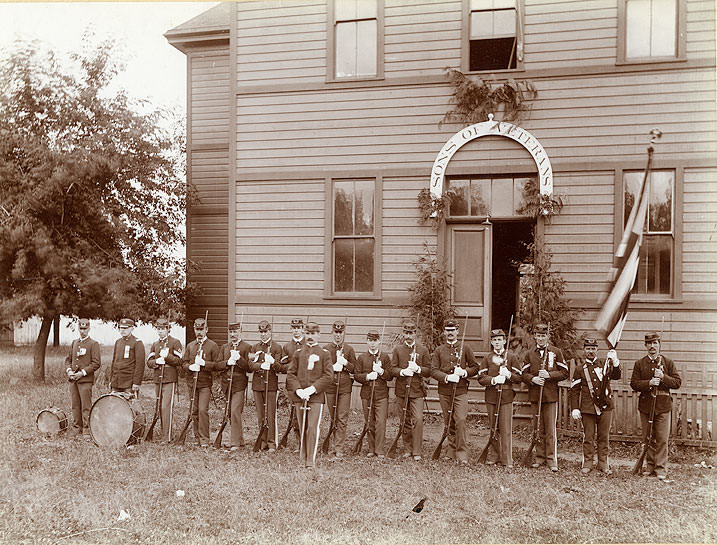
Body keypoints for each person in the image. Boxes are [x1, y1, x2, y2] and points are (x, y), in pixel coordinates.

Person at [630, 332, 681, 480]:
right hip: (646, 406)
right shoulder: (640, 364)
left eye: (655, 343)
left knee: (662, 438)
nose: (652, 346)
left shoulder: (668, 362)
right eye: (649, 344)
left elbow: (677, 383)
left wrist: (663, 377)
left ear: (659, 345)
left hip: (663, 406)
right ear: (646, 346)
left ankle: (661, 468)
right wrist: (649, 383)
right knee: (648, 437)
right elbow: (634, 383)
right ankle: (650, 466)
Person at [569, 337, 621, 474]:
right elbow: (574, 390)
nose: (590, 351)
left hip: (605, 406)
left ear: (597, 349)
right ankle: (588, 462)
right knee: (589, 436)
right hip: (588, 408)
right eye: (588, 349)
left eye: (593, 348)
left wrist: (615, 362)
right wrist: (574, 407)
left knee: (603, 436)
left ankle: (603, 463)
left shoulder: (604, 364)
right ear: (584, 350)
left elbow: (616, 376)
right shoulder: (580, 369)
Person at [522, 323, 569, 472]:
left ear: (548, 336)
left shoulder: (556, 352)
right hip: (536, 396)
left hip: (550, 396)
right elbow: (523, 374)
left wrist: (549, 375)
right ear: (535, 336)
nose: (541, 338)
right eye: (538, 335)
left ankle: (551, 459)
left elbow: (564, 372)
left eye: (543, 335)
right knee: (538, 428)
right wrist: (533, 379)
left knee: (550, 429)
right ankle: (539, 457)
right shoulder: (530, 353)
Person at [431, 319, 478, 464]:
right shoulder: (439, 350)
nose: (450, 333)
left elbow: (475, 367)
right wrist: (447, 377)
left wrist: (464, 372)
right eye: (448, 330)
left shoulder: (466, 348)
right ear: (444, 332)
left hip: (460, 391)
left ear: (457, 331)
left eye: (453, 330)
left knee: (461, 420)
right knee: (449, 421)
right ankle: (451, 451)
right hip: (444, 391)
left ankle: (462, 453)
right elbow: (433, 370)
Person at [286, 321, 333, 468]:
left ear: (319, 334)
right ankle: (303, 457)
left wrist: (312, 389)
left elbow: (328, 376)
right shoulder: (298, 353)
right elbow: (291, 374)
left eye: (313, 334)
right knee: (302, 426)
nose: (310, 337)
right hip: (300, 397)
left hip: (316, 397)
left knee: (312, 427)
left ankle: (310, 460)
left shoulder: (324, 354)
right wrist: (299, 390)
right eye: (308, 334)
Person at [477, 328, 522, 467]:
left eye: (499, 340)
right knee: (493, 427)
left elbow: (519, 377)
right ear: (491, 342)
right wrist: (494, 380)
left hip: (506, 396)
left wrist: (508, 375)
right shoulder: (487, 358)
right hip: (491, 396)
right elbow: (481, 378)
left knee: (506, 428)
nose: (497, 342)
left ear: (504, 341)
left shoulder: (512, 357)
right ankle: (494, 455)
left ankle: (507, 459)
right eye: (494, 340)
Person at [390, 320, 431, 461]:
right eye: (406, 333)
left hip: (417, 391)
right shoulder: (397, 350)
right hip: (401, 390)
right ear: (403, 333)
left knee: (418, 419)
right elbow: (392, 369)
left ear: (415, 334)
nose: (408, 336)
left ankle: (417, 450)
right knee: (404, 420)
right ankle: (407, 448)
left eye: (411, 333)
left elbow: (429, 370)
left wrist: (418, 369)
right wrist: (403, 372)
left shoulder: (423, 350)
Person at [181, 317, 221, 447]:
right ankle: (197, 437)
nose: (199, 332)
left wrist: (204, 364)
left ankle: (205, 439)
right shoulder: (190, 346)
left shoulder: (212, 346)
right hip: (192, 383)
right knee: (194, 411)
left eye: (201, 329)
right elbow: (184, 363)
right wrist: (190, 367)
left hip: (205, 383)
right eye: (197, 329)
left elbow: (217, 365)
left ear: (206, 330)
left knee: (203, 410)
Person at [354, 329, 392, 458]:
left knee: (380, 422)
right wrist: (368, 376)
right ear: (367, 341)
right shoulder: (362, 358)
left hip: (381, 394)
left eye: (375, 341)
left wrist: (381, 371)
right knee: (369, 421)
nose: (372, 344)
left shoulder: (385, 357)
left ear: (379, 341)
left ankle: (379, 449)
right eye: (370, 341)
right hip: (366, 394)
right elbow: (356, 375)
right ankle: (371, 448)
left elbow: (390, 376)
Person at [248, 319, 285, 452]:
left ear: (270, 331)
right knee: (260, 415)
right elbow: (250, 364)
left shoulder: (276, 347)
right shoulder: (254, 347)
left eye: (266, 331)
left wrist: (273, 362)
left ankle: (271, 443)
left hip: (271, 385)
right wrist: (260, 365)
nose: (263, 334)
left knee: (270, 415)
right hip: (258, 385)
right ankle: (262, 441)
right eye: (261, 332)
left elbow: (280, 367)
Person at [323, 320, 357, 459]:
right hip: (330, 387)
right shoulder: (326, 349)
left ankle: (339, 448)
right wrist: (333, 367)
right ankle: (331, 444)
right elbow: (322, 369)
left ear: (344, 333)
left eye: (340, 332)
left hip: (344, 387)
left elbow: (355, 368)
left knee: (342, 417)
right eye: (336, 332)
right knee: (333, 417)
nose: (338, 335)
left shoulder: (349, 349)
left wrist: (345, 363)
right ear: (332, 332)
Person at [146, 317, 183, 441]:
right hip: (158, 378)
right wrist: (157, 361)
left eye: (163, 329)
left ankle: (166, 436)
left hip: (169, 378)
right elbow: (149, 362)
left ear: (168, 329)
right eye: (158, 329)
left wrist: (167, 357)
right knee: (159, 406)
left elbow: (180, 361)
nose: (160, 331)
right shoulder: (155, 344)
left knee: (165, 407)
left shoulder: (175, 342)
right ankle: (163, 433)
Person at [217, 321, 252, 450]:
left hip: (239, 384)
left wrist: (239, 360)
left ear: (240, 332)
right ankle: (239, 440)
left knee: (235, 411)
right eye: (231, 332)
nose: (233, 334)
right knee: (231, 413)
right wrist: (228, 362)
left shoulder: (246, 347)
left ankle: (235, 443)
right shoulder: (225, 347)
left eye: (235, 332)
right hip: (227, 384)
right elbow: (217, 365)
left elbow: (249, 368)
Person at [64, 318, 101, 437]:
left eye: (85, 329)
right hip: (73, 380)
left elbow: (96, 363)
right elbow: (68, 360)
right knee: (75, 405)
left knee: (86, 406)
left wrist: (83, 372)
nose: (82, 331)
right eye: (81, 328)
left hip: (85, 380)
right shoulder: (74, 343)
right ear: (78, 328)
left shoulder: (93, 344)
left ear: (89, 329)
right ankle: (77, 428)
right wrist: (69, 371)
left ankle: (86, 430)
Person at [281, 318, 307, 446]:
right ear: (291, 329)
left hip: (306, 385)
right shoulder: (287, 347)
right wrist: (293, 366)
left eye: (299, 328)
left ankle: (307, 440)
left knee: (306, 412)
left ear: (303, 329)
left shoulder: (308, 345)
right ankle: (298, 441)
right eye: (294, 328)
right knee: (295, 414)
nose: (296, 331)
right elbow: (281, 367)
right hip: (292, 385)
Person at [110, 318, 145, 394]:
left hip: (129, 383)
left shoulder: (137, 343)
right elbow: (114, 362)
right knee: (114, 404)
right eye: (121, 328)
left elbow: (140, 365)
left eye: (126, 328)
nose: (123, 330)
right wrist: (111, 380)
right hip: (116, 381)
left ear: (132, 328)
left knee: (129, 404)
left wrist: (136, 382)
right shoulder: (118, 342)